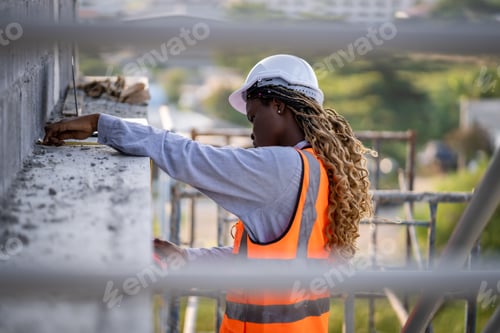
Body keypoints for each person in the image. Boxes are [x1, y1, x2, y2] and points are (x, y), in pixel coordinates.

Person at [44, 54, 373, 332]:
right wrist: (188, 258)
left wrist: (104, 123)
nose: (253, 133)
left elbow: (190, 158)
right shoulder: (321, 169)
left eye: (254, 116)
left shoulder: (283, 168)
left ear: (278, 105)